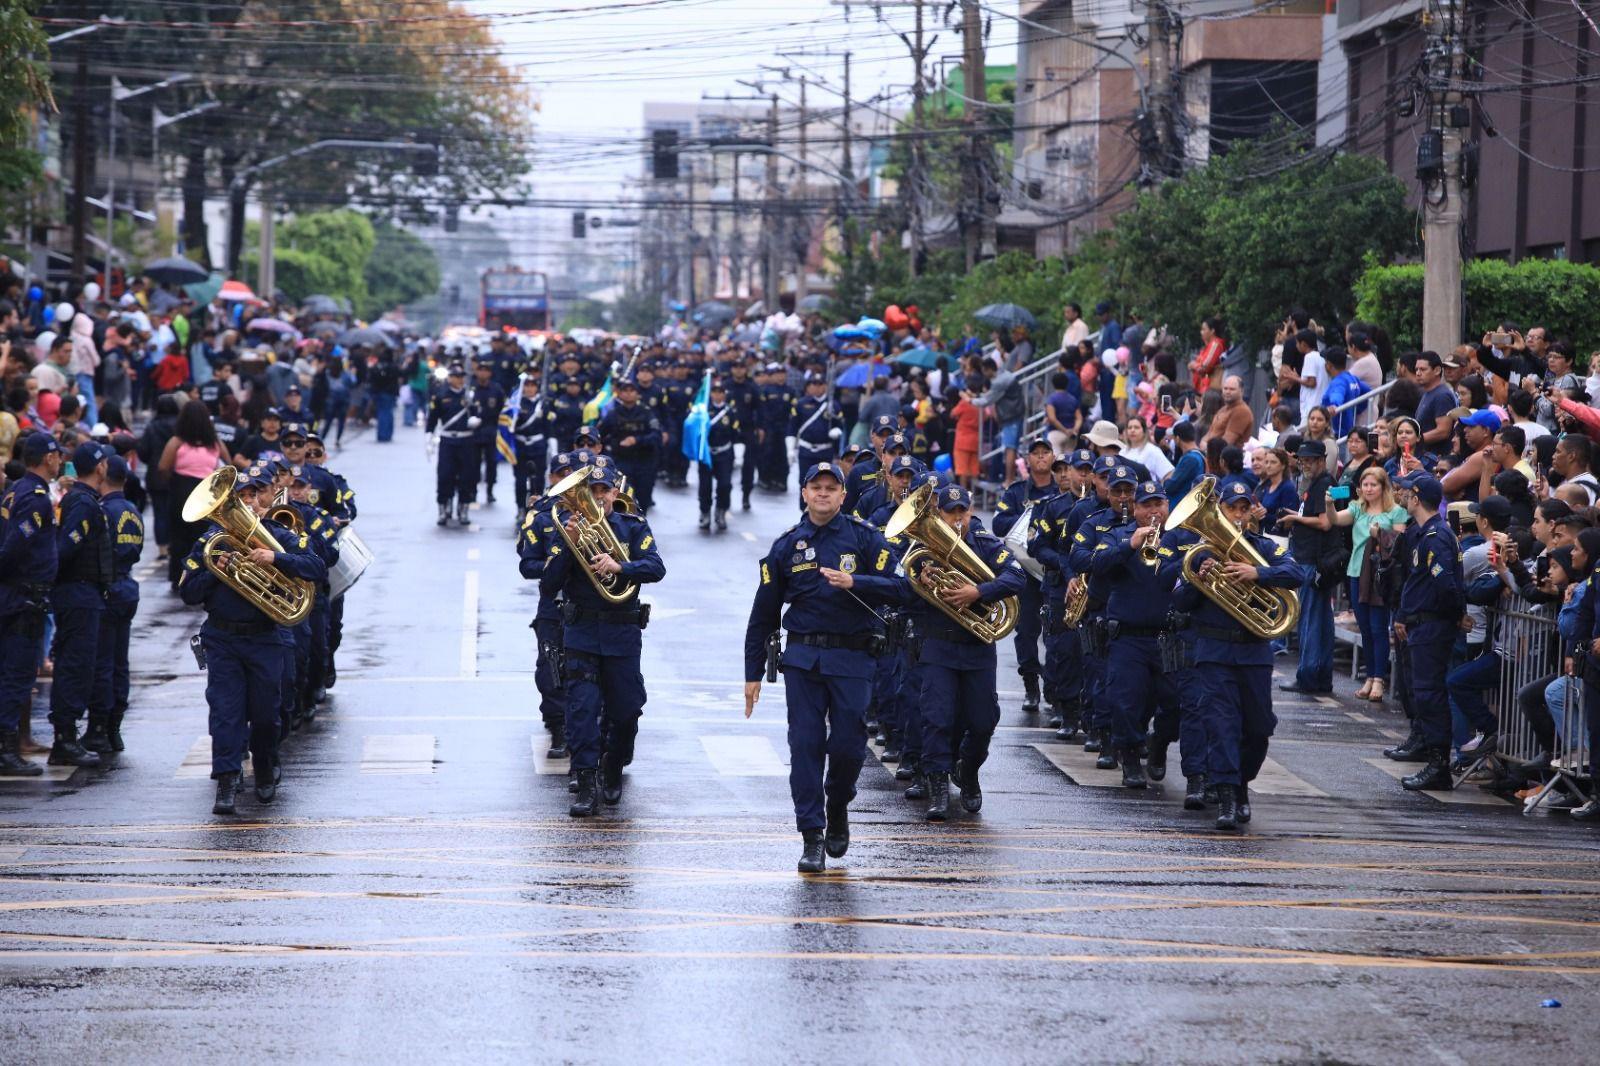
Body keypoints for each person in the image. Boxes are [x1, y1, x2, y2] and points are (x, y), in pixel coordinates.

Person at [744, 461, 909, 873]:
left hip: (853, 657)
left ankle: (838, 804)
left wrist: (859, 583)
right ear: (804, 494)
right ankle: (812, 835)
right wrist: (750, 674)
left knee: (849, 747)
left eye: (830, 488)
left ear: (842, 495)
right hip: (803, 660)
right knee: (805, 746)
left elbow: (904, 588)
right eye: (815, 487)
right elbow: (762, 613)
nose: (822, 493)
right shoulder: (787, 546)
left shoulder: (866, 538)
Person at [178, 467, 327, 815]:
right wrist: (218, 569)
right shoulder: (210, 542)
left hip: (264, 637)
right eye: (240, 497)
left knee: (265, 713)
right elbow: (188, 591)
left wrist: (276, 558)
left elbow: (316, 566)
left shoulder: (279, 535)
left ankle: (264, 765)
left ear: (264, 499)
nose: (247, 504)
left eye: (251, 497)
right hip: (223, 638)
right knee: (225, 713)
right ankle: (227, 780)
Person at [1173, 478, 1307, 829]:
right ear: (1219, 510)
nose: (1236, 514)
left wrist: (1257, 572)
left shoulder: (1264, 547)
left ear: (1251, 512)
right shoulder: (1199, 552)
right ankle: (1228, 798)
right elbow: (1180, 602)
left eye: (1243, 508)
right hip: (1214, 651)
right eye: (1230, 508)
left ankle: (1242, 785)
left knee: (1259, 728)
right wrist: (1196, 579)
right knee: (1221, 725)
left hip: (1253, 650)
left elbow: (1296, 573)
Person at [541, 463, 665, 816]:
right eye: (591, 492)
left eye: (603, 491)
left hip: (622, 632)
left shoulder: (632, 527)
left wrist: (620, 567)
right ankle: (586, 782)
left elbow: (656, 567)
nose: (597, 498)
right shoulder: (567, 530)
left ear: (615, 493)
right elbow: (548, 585)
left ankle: (612, 764)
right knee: (581, 710)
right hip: (581, 632)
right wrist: (570, 547)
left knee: (626, 710)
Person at [913, 484, 1027, 820]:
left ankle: (969, 771)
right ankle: (937, 788)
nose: (958, 519)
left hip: (977, 649)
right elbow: (905, 582)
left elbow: (1017, 577)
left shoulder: (987, 545)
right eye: (951, 513)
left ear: (970, 510)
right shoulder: (925, 548)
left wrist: (978, 591)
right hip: (939, 645)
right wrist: (923, 575)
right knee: (937, 718)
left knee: (982, 721)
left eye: (962, 512)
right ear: (940, 515)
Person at [1385, 474, 1465, 791]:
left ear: (1417, 499)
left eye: (1408, 493)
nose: (1404, 496)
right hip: (1422, 623)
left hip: (1431, 626)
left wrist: (1454, 615)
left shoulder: (1435, 537)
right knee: (1424, 693)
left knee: (1430, 695)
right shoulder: (1425, 534)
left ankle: (1438, 765)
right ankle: (1434, 760)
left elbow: (1446, 585)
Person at [0, 434, 63, 775]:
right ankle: (7, 749)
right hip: (22, 596)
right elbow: (14, 547)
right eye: (56, 455)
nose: (59, 461)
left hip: (18, 593)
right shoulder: (34, 497)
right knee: (18, 673)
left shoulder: (17, 489)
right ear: (46, 458)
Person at [1328, 467, 1408, 702]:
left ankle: (1379, 678)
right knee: (1365, 627)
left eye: (1373, 485)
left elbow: (1398, 544)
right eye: (1365, 485)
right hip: (1356, 572)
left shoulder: (1396, 511)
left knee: (1378, 628)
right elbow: (1334, 520)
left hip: (1380, 575)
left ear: (1383, 487)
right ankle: (1370, 677)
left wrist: (1380, 532)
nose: (1368, 489)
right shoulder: (1357, 508)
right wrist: (1329, 504)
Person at [519, 451, 578, 759]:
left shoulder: (602, 517)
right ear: (553, 478)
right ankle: (558, 729)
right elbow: (526, 564)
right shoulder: (543, 518)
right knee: (550, 669)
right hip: (553, 606)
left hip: (588, 606)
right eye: (563, 474)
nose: (569, 480)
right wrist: (553, 565)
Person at [992, 437, 1057, 713]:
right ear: (1027, 460)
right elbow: (998, 523)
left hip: (1052, 570)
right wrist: (1030, 517)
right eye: (1036, 454)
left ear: (1053, 457)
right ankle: (1031, 685)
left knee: (1056, 631)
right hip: (1026, 572)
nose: (1041, 458)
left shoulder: (1060, 490)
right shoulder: (1017, 492)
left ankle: (1056, 689)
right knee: (1026, 630)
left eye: (1046, 453)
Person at [1278, 440, 1336, 694]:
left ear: (1322, 460)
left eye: (1311, 460)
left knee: (1310, 621)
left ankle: (1308, 676)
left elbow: (1324, 522)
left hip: (1312, 560)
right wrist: (1294, 514)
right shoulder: (1320, 484)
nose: (1306, 465)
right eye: (1303, 461)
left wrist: (1294, 518)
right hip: (1314, 560)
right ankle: (1320, 675)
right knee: (1320, 621)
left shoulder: (1323, 483)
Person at [159, 400, 230, 591]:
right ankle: (205, 575)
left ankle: (178, 577)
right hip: (206, 493)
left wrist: (174, 481)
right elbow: (228, 464)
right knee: (205, 537)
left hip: (181, 490)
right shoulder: (214, 442)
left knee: (179, 538)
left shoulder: (177, 441)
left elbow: (163, 467)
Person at [598, 378, 661, 516]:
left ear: (638, 394)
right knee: (622, 497)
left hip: (644, 461)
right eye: (625, 391)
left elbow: (656, 436)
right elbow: (599, 435)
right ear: (619, 394)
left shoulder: (646, 413)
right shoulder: (613, 414)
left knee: (644, 497)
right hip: (622, 461)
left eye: (632, 390)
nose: (628, 394)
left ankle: (641, 525)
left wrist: (637, 440)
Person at [427, 363, 478, 526]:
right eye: (456, 376)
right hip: (448, 440)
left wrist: (476, 420)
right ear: (449, 378)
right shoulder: (440, 395)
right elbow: (432, 419)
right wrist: (428, 438)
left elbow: (479, 414)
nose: (459, 380)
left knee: (467, 476)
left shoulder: (470, 395)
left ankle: (463, 508)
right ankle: (444, 507)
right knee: (445, 475)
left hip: (466, 440)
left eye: (461, 376)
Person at [698, 380, 738, 531]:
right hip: (707, 454)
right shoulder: (703, 411)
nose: (717, 394)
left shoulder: (731, 412)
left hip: (724, 453)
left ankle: (721, 511)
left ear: (724, 394)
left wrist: (737, 454)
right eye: (714, 391)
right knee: (705, 486)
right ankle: (705, 512)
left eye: (720, 391)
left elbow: (735, 434)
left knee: (725, 485)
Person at [511, 374, 548, 515]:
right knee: (520, 481)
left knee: (539, 480)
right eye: (526, 385)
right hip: (520, 446)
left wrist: (552, 443)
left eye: (532, 385)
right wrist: (514, 417)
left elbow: (548, 427)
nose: (529, 388)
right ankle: (520, 508)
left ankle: (538, 508)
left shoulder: (543, 403)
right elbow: (508, 425)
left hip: (538, 446)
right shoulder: (515, 403)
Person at [1189, 317, 1227, 394]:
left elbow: (1204, 368)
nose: (1201, 332)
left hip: (1210, 390)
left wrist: (1193, 365)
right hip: (1203, 388)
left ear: (1212, 331)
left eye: (1204, 329)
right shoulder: (1208, 346)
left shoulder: (1215, 345)